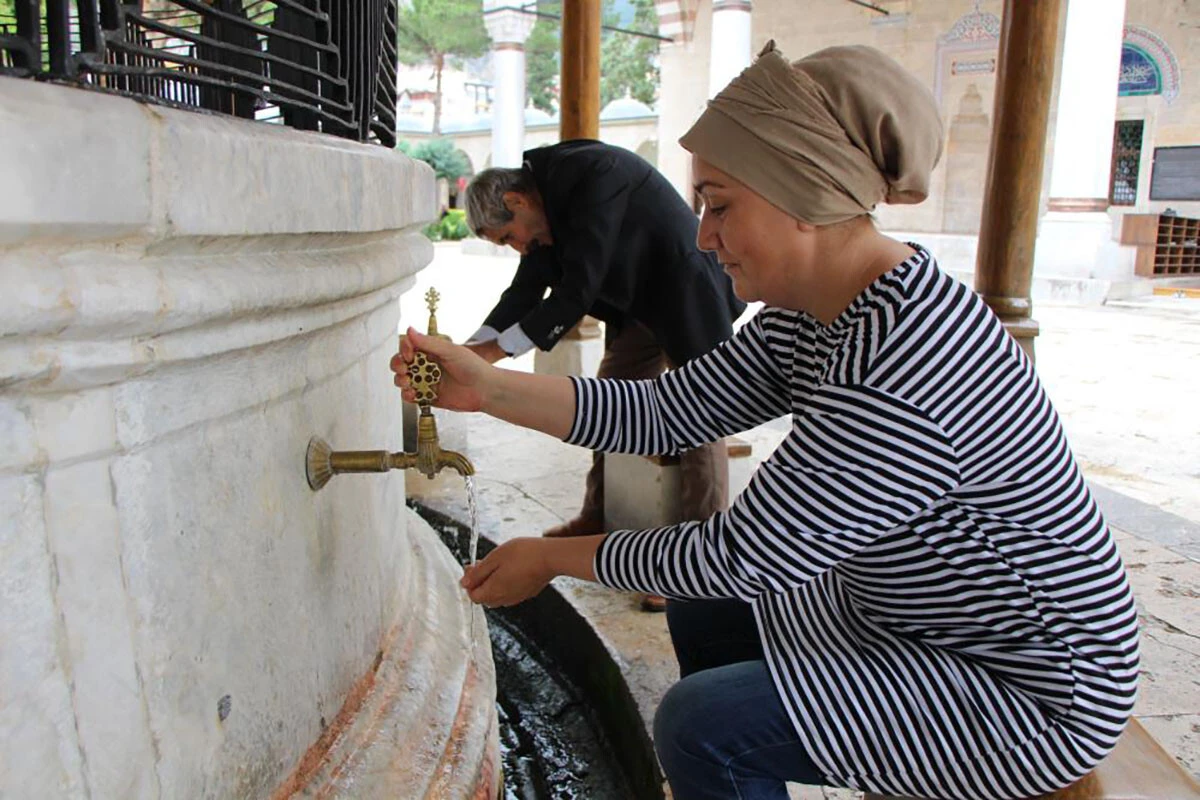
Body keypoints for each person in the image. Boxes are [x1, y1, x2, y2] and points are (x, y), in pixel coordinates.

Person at [393, 42, 1140, 800]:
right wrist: (488, 389)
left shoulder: (905, 358)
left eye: (720, 205)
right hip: (911, 620)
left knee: (700, 726)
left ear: (806, 193)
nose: (702, 237)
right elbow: (667, 410)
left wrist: (551, 558)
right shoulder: (819, 312)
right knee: (702, 606)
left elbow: (744, 556)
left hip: (1030, 690)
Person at [462, 141, 746, 612]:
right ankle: (597, 513)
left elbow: (579, 288)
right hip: (641, 305)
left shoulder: (592, 173)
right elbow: (524, 291)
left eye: (508, 237)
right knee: (608, 395)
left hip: (685, 292)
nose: (518, 247)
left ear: (516, 201)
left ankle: (700, 563)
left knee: (702, 420)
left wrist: (491, 356)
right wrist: (469, 350)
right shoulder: (542, 208)